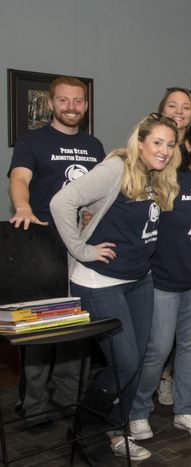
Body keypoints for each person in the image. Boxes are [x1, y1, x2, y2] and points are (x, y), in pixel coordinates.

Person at [50, 113, 181, 460]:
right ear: (140, 141)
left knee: (135, 364)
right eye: (157, 142)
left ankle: (114, 431)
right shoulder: (117, 168)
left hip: (139, 280)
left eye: (170, 144)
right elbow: (61, 202)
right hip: (98, 281)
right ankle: (87, 431)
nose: (165, 151)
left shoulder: (157, 176)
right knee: (124, 363)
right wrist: (81, 248)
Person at [7, 76, 105, 430]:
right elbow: (19, 179)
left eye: (78, 101)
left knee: (75, 324)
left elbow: (100, 190)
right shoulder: (32, 141)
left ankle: (69, 399)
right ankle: (33, 406)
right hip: (43, 245)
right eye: (64, 101)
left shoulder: (94, 145)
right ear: (51, 104)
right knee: (40, 329)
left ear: (85, 105)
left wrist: (96, 212)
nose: (71, 107)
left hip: (80, 245)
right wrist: (23, 207)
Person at [129, 118, 191, 441]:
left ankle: (185, 410)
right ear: (188, 146)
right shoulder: (169, 177)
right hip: (163, 278)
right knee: (158, 349)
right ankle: (137, 412)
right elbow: (137, 209)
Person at [154, 86, 191, 406]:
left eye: (186, 107)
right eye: (173, 105)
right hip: (154, 252)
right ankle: (154, 382)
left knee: (186, 335)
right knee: (157, 335)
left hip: (190, 252)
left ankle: (175, 385)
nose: (179, 111)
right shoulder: (154, 148)